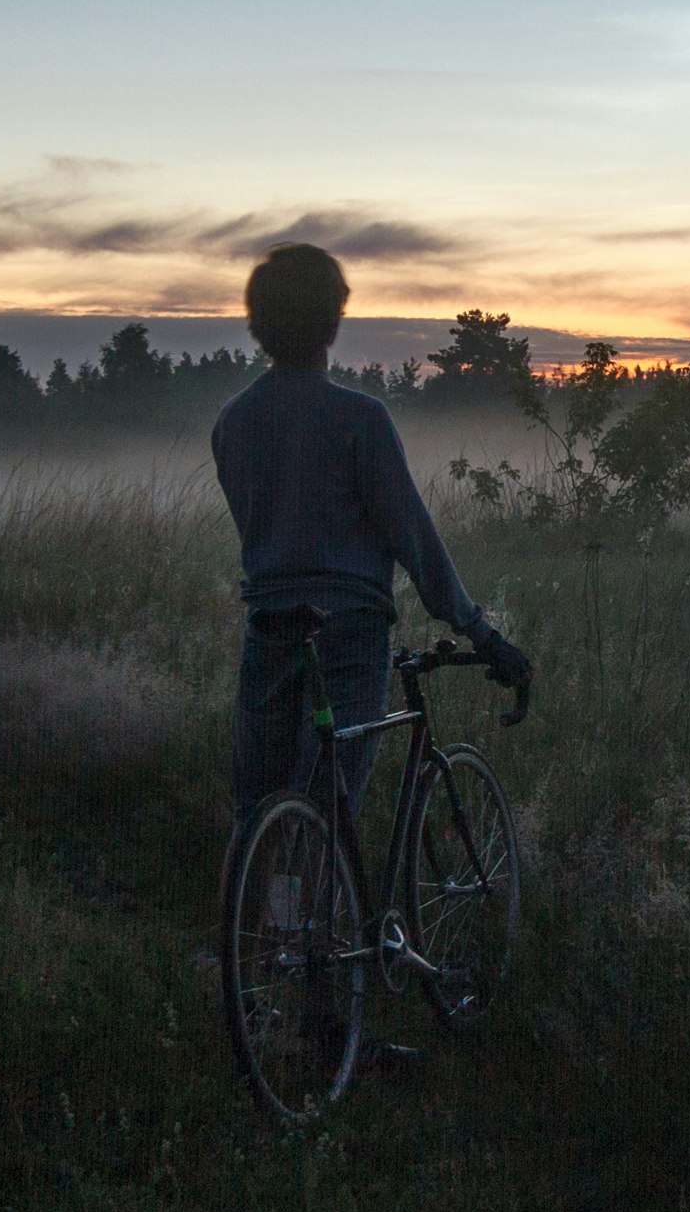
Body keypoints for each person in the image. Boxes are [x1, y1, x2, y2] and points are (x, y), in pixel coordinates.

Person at [212, 241, 529, 841]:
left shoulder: (233, 421)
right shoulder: (360, 419)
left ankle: (256, 931)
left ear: (257, 325)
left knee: (257, 812)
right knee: (325, 814)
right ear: (333, 321)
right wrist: (479, 631)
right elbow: (414, 538)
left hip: (271, 627)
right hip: (349, 633)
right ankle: (314, 932)